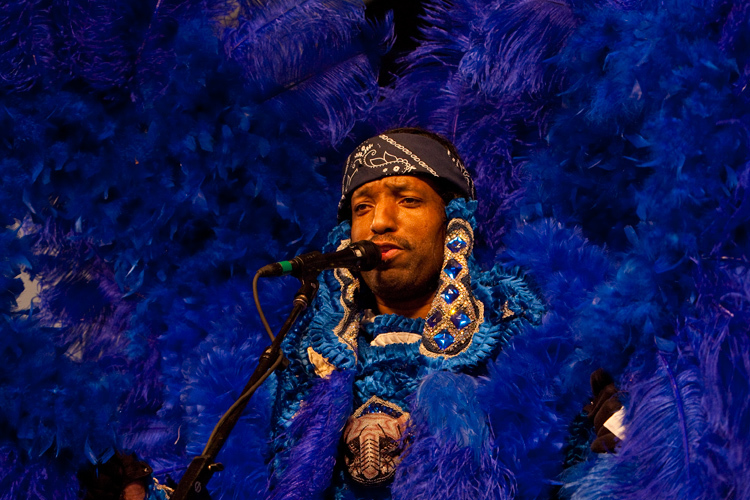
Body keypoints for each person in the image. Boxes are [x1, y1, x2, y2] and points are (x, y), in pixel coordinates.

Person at [267, 128, 547, 499]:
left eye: (408, 200)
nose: (379, 222)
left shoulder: (513, 324)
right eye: (362, 207)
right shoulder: (304, 349)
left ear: (453, 222)